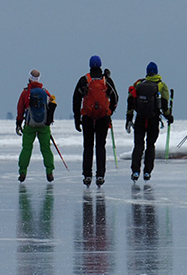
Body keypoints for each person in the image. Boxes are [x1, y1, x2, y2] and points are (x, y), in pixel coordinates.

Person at [73, 55, 118, 187]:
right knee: (100, 146)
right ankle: (100, 175)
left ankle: (87, 175)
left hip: (87, 117)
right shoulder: (106, 80)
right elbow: (115, 97)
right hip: (103, 118)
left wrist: (77, 118)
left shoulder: (84, 80)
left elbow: (76, 100)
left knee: (88, 146)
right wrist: (109, 111)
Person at [126, 61, 172, 182]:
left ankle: (135, 171)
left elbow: (131, 101)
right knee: (150, 145)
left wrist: (129, 118)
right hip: (153, 119)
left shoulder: (138, 84)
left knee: (138, 145)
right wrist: (169, 117)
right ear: (156, 72)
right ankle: (147, 172)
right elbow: (165, 105)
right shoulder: (162, 85)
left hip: (140, 118)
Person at [16, 69, 57, 182]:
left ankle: (23, 172)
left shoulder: (25, 93)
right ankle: (49, 172)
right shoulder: (45, 92)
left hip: (30, 125)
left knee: (27, 148)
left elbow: (20, 109)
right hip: (44, 126)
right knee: (46, 148)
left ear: (29, 78)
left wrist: (18, 122)